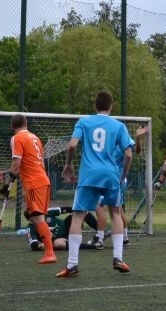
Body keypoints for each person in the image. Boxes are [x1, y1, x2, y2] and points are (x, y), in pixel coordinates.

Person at [57, 90, 134, 278]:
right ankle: (118, 258)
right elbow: (129, 154)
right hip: (110, 175)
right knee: (115, 213)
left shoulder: (84, 122)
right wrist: (122, 175)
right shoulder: (119, 126)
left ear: (95, 105)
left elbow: (72, 145)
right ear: (111, 106)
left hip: (88, 176)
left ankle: (72, 265)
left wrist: (68, 165)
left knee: (78, 216)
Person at [2, 114, 56, 264]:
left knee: (37, 218)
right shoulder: (35, 138)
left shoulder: (17, 138)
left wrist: (6, 186)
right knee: (36, 217)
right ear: (26, 124)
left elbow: (16, 164)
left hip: (34, 183)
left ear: (12, 126)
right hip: (44, 180)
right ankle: (49, 249)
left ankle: (50, 253)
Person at [88, 125, 149, 249]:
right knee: (117, 209)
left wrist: (137, 137)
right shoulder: (107, 142)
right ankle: (124, 238)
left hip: (116, 180)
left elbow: (135, 151)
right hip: (110, 179)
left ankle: (99, 239)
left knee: (100, 206)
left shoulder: (123, 139)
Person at [23, 206, 98, 251]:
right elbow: (34, 246)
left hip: (67, 227)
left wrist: (77, 209)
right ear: (29, 219)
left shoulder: (47, 212)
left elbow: (65, 209)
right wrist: (43, 244)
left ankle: (100, 232)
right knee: (58, 244)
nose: (38, 216)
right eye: (34, 216)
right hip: (57, 240)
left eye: (37, 213)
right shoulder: (31, 228)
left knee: (82, 211)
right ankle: (91, 246)